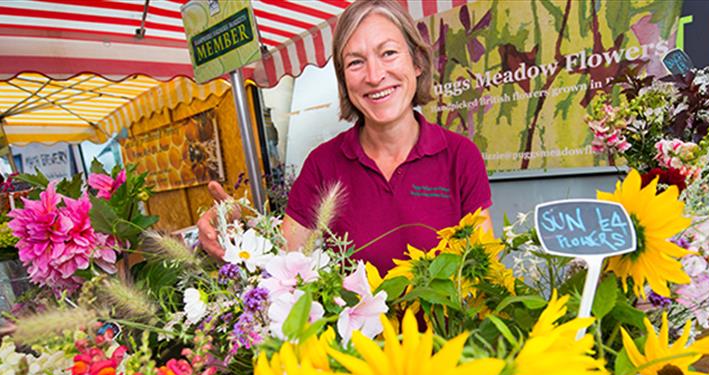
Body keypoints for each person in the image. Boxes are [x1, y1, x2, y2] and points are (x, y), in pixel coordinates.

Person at [198, 0, 492, 273]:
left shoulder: (460, 156)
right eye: (355, 62)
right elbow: (284, 258)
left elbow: (484, 269)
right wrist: (238, 228)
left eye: (388, 53)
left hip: (450, 330)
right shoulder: (323, 166)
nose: (374, 76)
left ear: (416, 62)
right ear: (344, 80)